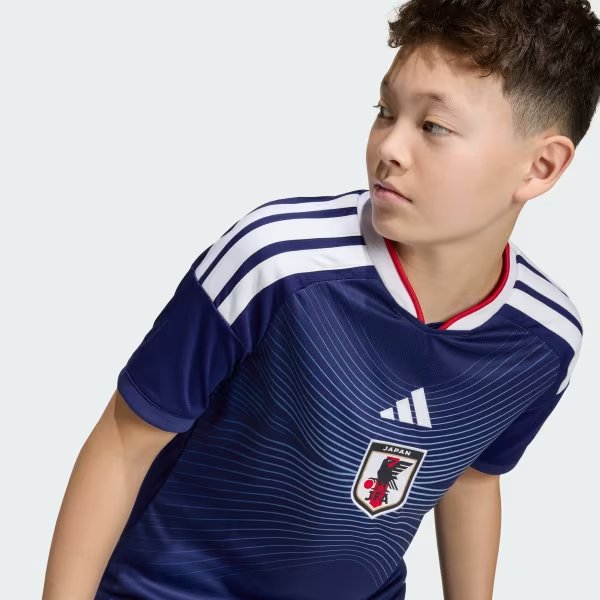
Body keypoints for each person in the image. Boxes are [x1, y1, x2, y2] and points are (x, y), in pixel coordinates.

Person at [43, 1, 599, 599]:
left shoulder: (545, 340)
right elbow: (124, 442)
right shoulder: (276, 263)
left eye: (434, 126)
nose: (389, 147)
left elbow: (471, 477)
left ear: (541, 166)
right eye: (386, 112)